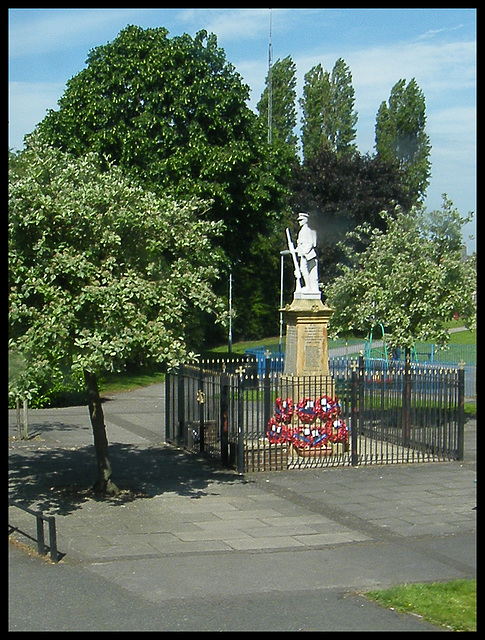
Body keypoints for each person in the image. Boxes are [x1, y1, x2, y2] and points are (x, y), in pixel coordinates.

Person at [296, 212, 319, 294]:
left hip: (307, 254)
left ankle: (308, 286)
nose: (299, 222)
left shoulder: (307, 230)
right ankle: (307, 286)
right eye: (299, 220)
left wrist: (305, 252)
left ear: (305, 220)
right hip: (302, 253)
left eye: (301, 220)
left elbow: (310, 243)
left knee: (304, 269)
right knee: (302, 269)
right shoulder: (302, 231)